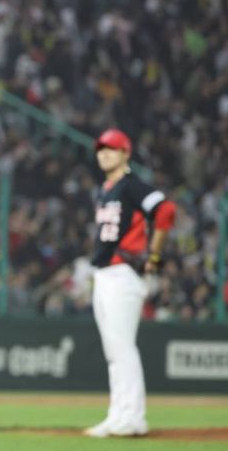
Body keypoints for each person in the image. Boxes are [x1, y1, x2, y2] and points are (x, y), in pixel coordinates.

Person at [84, 129, 176, 438]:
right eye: (101, 149)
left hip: (123, 273)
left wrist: (155, 254)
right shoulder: (107, 188)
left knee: (122, 347)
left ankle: (133, 418)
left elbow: (166, 210)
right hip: (105, 273)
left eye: (111, 149)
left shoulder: (131, 185)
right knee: (114, 350)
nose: (104, 154)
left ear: (126, 153)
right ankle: (118, 415)